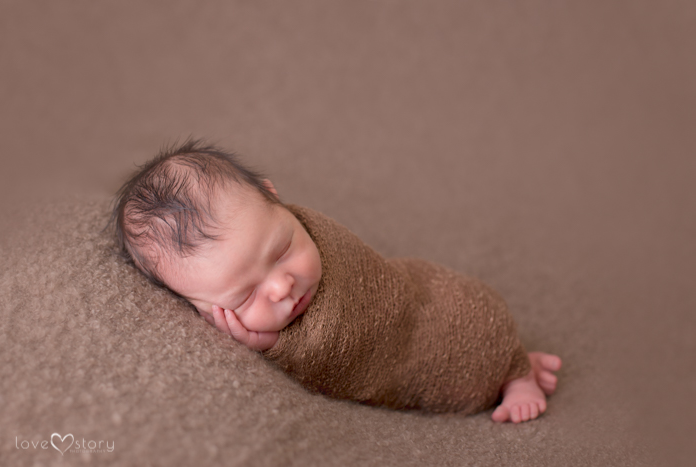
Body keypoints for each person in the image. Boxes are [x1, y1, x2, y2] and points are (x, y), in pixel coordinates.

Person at [112, 140, 561, 423]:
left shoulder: (317, 234)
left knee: (469, 321)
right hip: (410, 366)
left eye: (282, 249)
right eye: (244, 295)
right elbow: (345, 364)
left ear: (274, 197)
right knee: (444, 366)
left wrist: (270, 338)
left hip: (434, 302)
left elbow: (372, 310)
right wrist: (272, 347)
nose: (282, 286)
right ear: (202, 309)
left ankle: (515, 370)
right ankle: (515, 369)